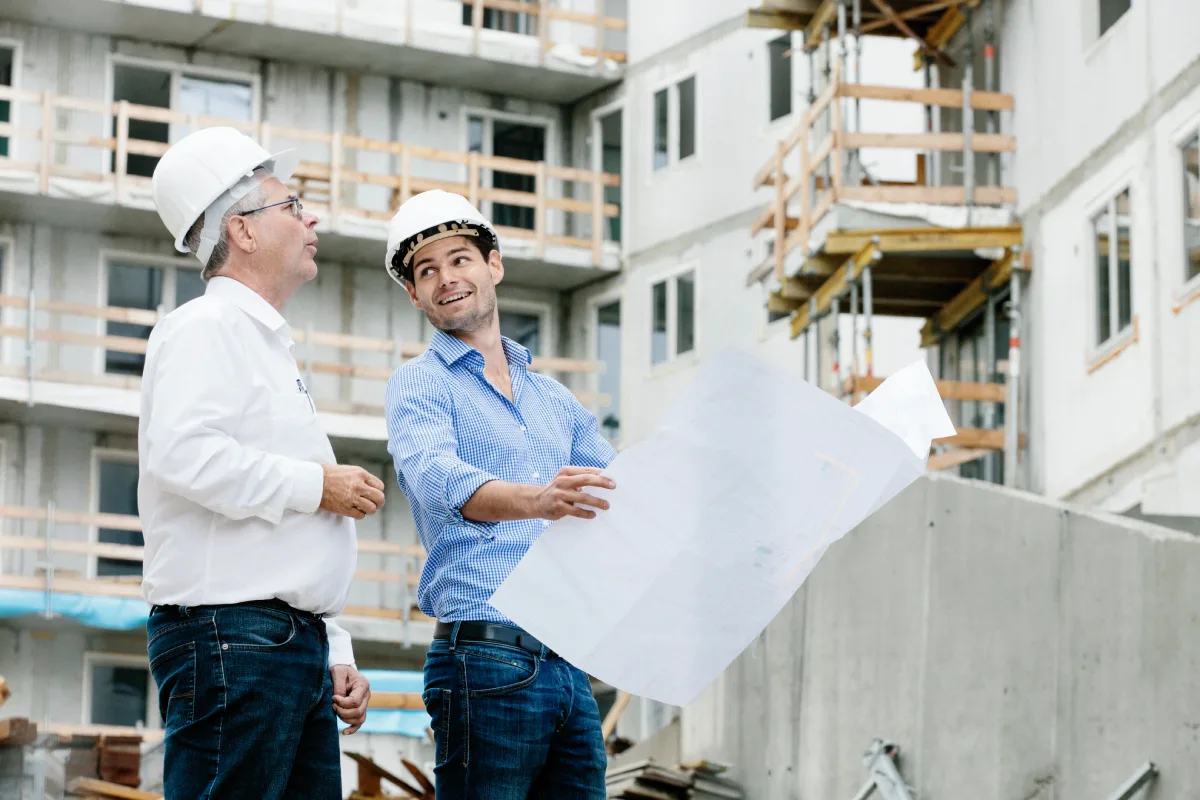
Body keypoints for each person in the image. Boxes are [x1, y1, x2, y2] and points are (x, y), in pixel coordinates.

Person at [139, 127, 387, 799]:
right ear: (241, 231)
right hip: (234, 640)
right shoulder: (205, 329)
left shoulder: (262, 347)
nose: (312, 219)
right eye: (293, 204)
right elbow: (184, 456)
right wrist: (319, 485)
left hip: (276, 645)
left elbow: (283, 543)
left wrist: (334, 648)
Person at [382, 190, 618, 798]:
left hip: (565, 663)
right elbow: (440, 481)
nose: (445, 279)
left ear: (495, 265)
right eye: (425, 271)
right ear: (414, 294)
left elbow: (618, 495)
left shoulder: (554, 400)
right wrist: (539, 499)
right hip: (484, 657)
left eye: (459, 259)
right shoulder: (420, 385)